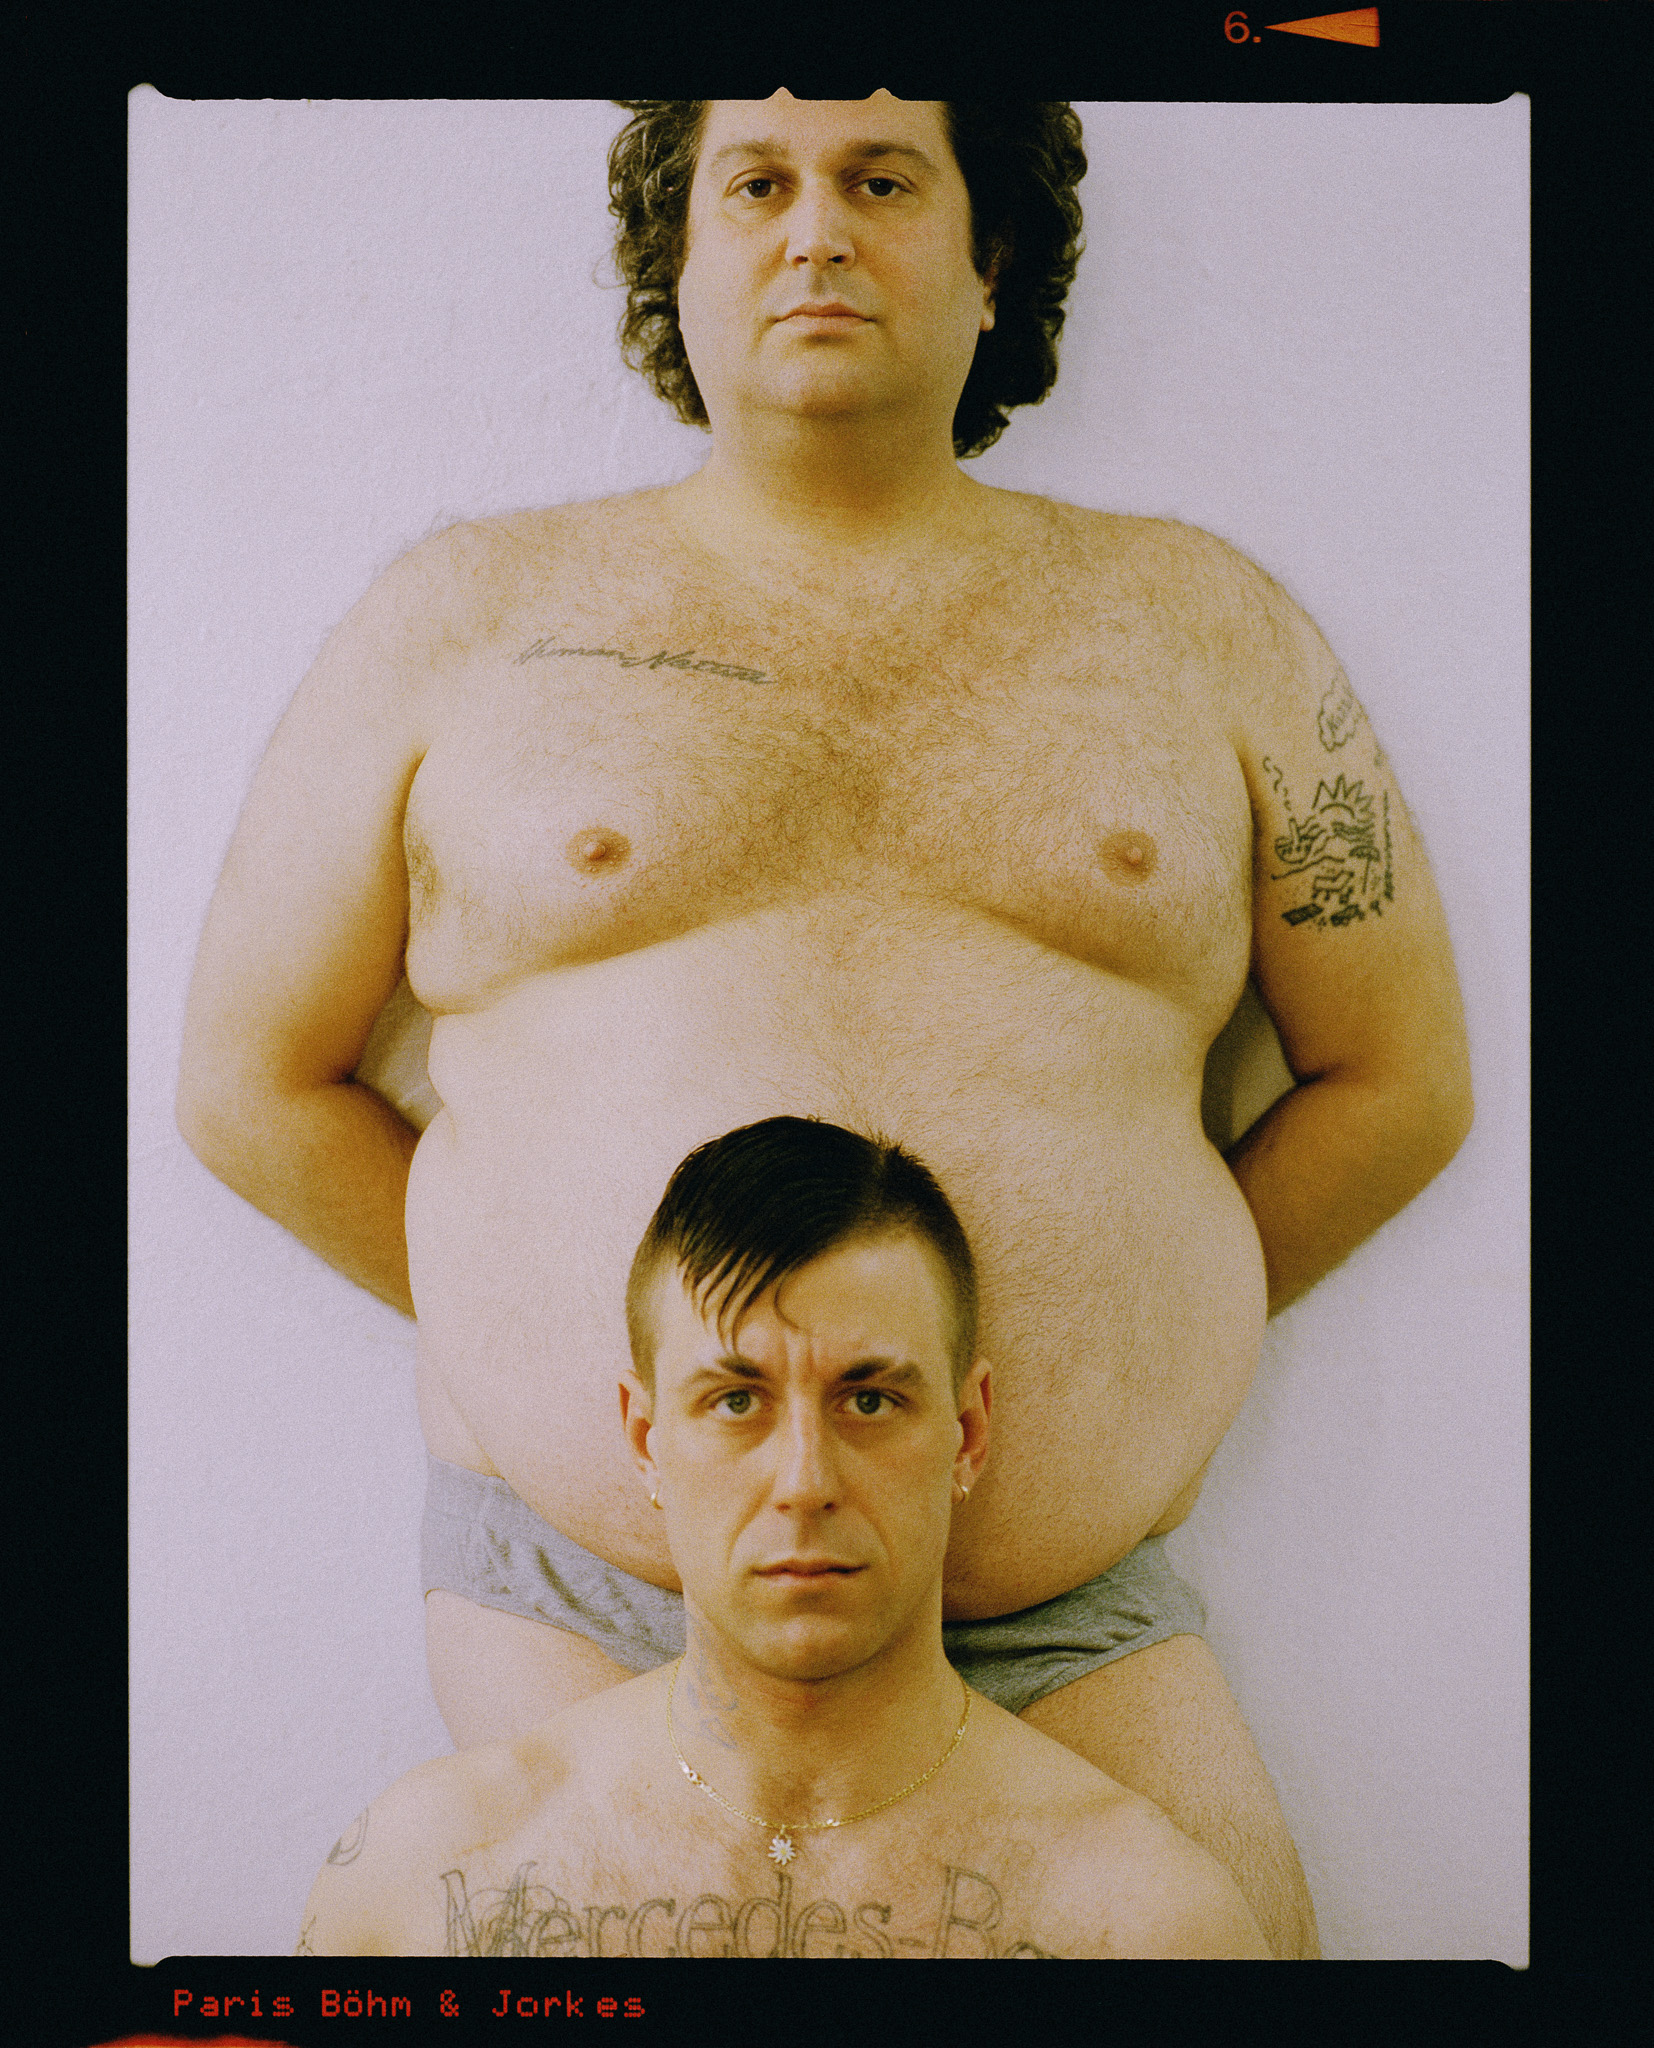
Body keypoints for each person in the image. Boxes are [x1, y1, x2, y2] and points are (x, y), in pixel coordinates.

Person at [177, 96, 1474, 1962]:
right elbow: (247, 1084)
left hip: (1054, 1603)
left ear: (990, 259)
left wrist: (1138, 1328)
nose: (814, 233)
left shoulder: (1205, 625)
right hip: (605, 1586)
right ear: (678, 255)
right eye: (756, 185)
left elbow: (1396, 1075)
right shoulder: (460, 617)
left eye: (881, 180)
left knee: (1246, 1958)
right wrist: (561, 1323)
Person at [298, 1118, 1269, 1959]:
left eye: (869, 1399)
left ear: (967, 1433)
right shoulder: (426, 1882)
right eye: (735, 1401)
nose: (805, 1480)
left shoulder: (1149, 1923)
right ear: (646, 1440)